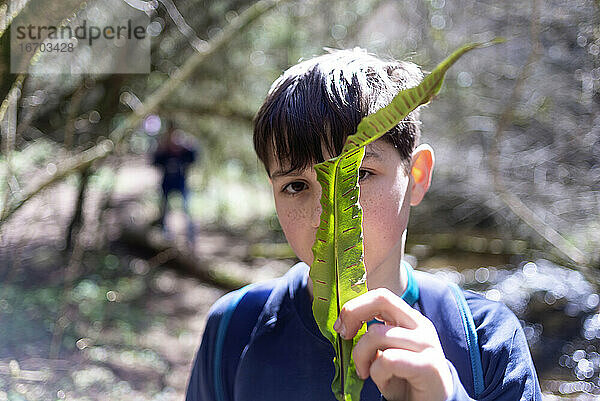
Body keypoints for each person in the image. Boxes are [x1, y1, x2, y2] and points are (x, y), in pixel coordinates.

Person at [185, 49, 542, 401]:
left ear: (416, 176)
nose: (327, 217)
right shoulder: (234, 329)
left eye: (358, 175)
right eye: (296, 186)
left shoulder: (485, 340)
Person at [152, 121, 197, 246]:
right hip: (166, 184)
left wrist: (189, 145)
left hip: (181, 183)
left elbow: (193, 158)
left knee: (187, 210)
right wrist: (161, 149)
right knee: (164, 211)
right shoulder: (164, 149)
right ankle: (165, 238)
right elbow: (154, 161)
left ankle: (190, 238)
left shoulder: (184, 149)